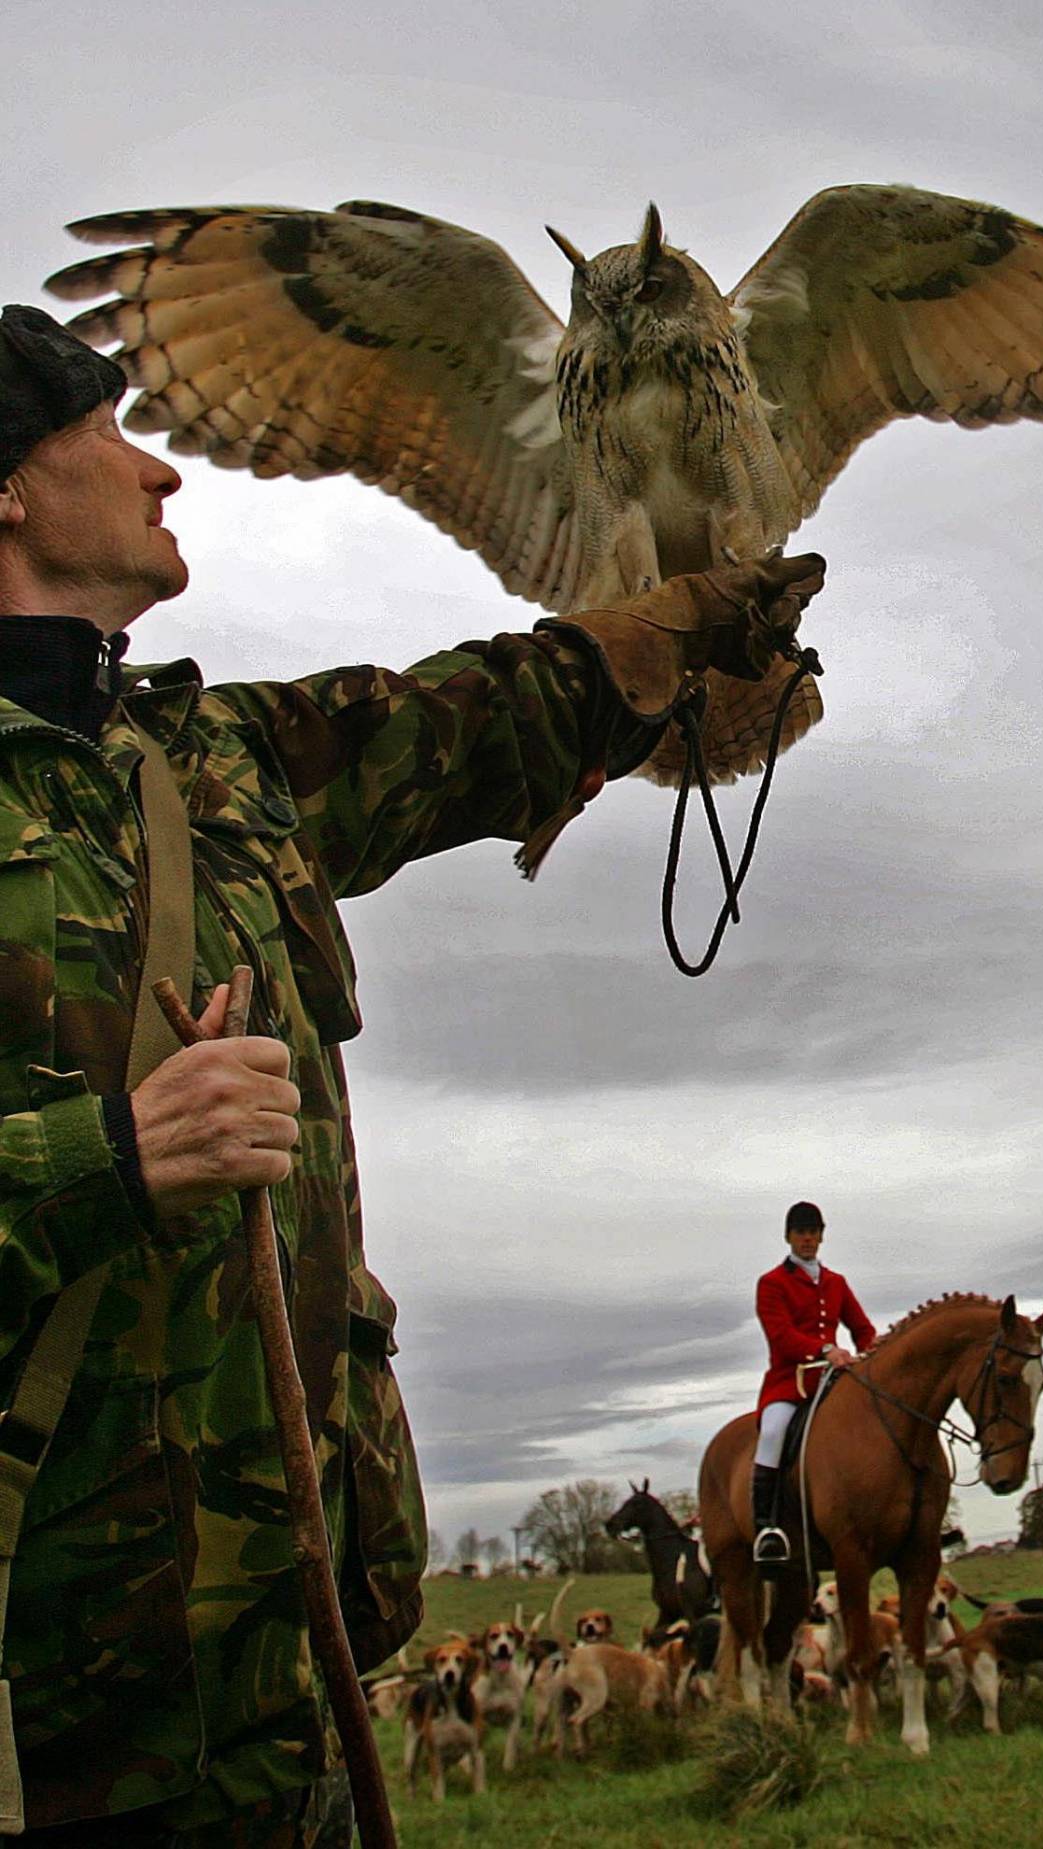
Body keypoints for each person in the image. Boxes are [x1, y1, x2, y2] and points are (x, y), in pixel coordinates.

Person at [0, 304, 825, 1846]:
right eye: (106, 435)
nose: (159, 471)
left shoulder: (212, 760)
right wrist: (105, 1154)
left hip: (288, 1692)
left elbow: (478, 716)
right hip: (49, 1725)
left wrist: (691, 620)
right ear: (11, 492)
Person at [752, 1200, 876, 1567]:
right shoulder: (772, 1283)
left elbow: (862, 1328)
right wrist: (825, 1348)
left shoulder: (837, 1282)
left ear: (821, 1236)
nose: (807, 1239)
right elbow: (781, 1335)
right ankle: (766, 1528)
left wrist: (874, 1355)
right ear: (789, 1237)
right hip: (790, 1383)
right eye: (800, 1233)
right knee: (773, 1432)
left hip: (837, 1380)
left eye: (813, 1232)